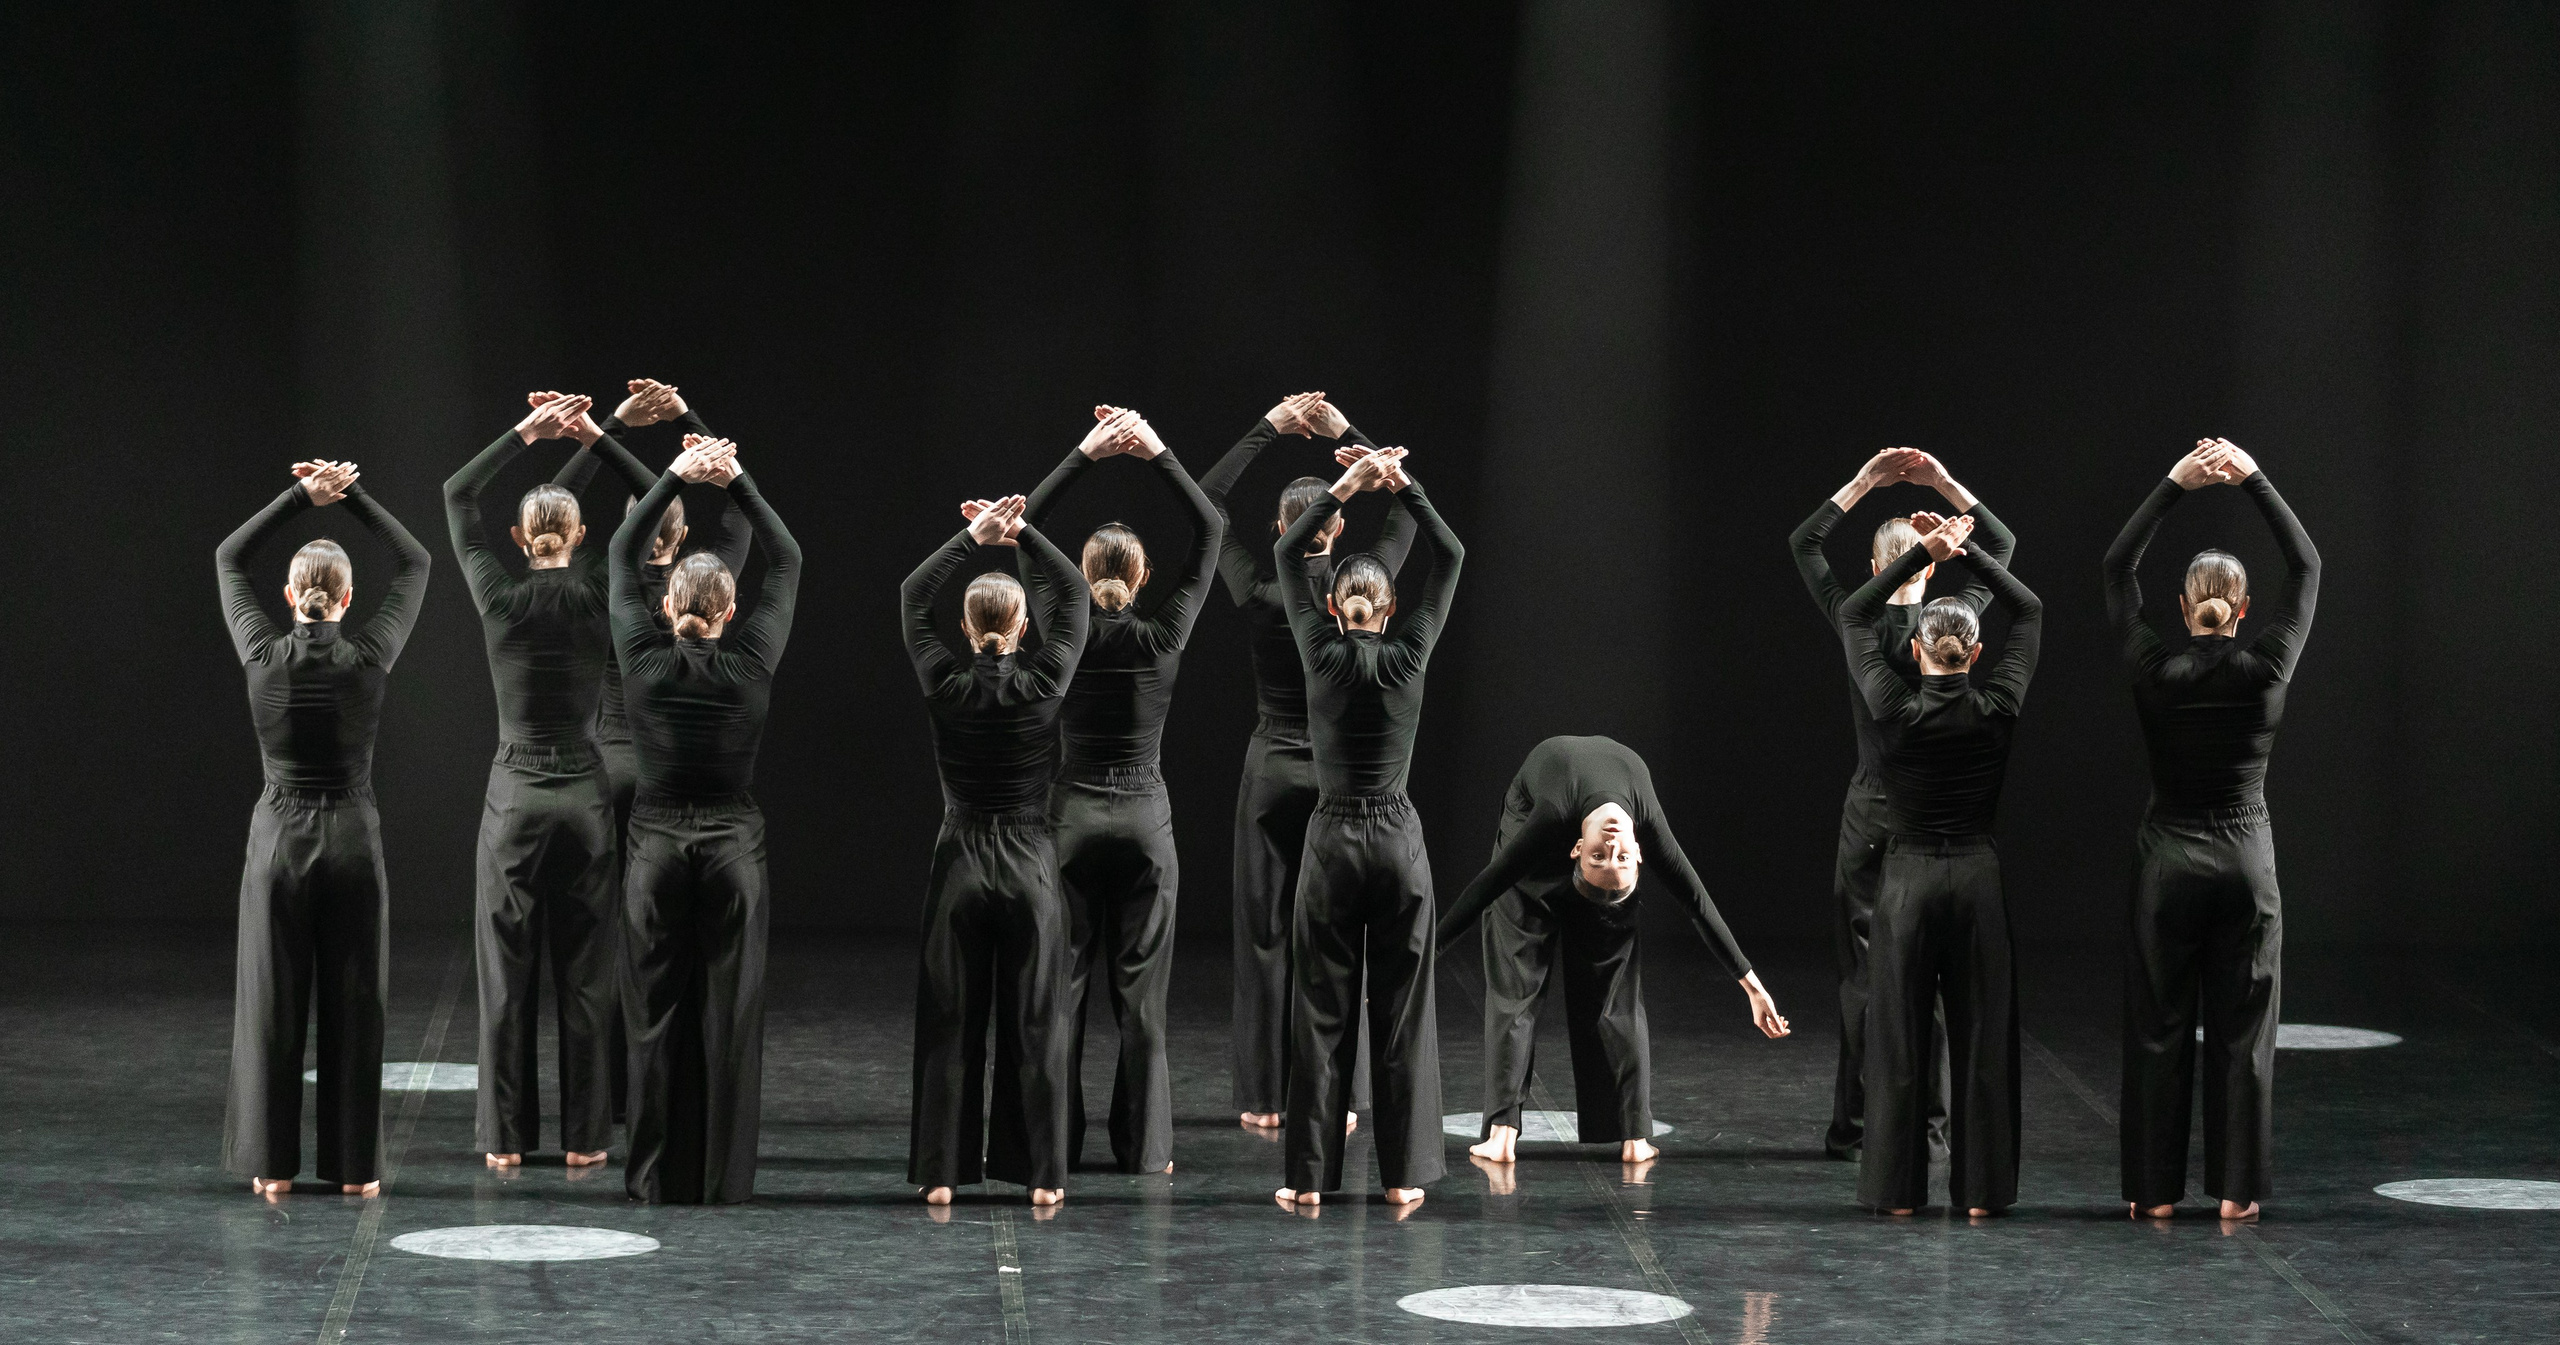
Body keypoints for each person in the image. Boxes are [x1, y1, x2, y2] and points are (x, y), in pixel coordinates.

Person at [899, 419, 1114, 1207]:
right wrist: (1022, 531)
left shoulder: (946, 685)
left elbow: (909, 596)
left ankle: (942, 1175)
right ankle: (1044, 1176)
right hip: (1029, 862)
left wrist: (972, 538)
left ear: (966, 628)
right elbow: (1076, 600)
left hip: (959, 860)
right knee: (1037, 1022)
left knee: (952, 1020)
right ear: (1022, 628)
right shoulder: (1046, 677)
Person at [2104, 438, 2318, 1224]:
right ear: (2243, 607)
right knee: (2244, 1029)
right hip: (2244, 856)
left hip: (2168, 858)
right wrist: (2256, 475)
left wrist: (2173, 485)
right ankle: (2236, 1190)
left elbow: (2115, 569)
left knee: (2156, 1025)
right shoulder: (2265, 671)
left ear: (2183, 602)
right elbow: (2309, 568)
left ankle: (2153, 1191)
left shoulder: (2154, 671)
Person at [444, 392, 658, 1171]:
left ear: (517, 537)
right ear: (582, 536)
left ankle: (505, 1140)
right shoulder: (605, 587)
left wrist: (524, 435)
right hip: (586, 796)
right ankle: (586, 1138)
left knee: (506, 974)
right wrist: (602, 434)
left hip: (514, 798)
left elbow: (455, 494)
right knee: (586, 973)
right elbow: (656, 496)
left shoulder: (498, 595)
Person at [1008, 405, 1222, 1174]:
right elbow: (1212, 532)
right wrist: (1159, 451)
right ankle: (1146, 1148)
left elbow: (1023, 520)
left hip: (1068, 818)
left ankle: (1054, 1142)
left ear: (1080, 574)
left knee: (1061, 993)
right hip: (1143, 818)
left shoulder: (1060, 630)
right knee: (1142, 1000)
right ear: (1142, 579)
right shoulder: (1163, 637)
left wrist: (1086, 453)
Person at [1790, 448, 2016, 1163]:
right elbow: (2004, 546)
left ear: (1876, 568)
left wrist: (1863, 481)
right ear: (1932, 566)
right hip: (1932, 823)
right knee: (1937, 975)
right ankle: (1932, 1128)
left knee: (1866, 977)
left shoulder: (1855, 621)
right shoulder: (1948, 627)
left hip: (1871, 813)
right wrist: (1946, 485)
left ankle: (1857, 1129)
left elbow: (1805, 542)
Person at [216, 456, 431, 1197]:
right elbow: (417, 560)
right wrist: (355, 496)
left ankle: (271, 1166)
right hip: (351, 839)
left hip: (277, 839)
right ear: (347, 597)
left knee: (273, 1000)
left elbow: (227, 556)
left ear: (290, 595)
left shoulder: (262, 653)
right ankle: (354, 1171)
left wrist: (299, 499)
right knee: (355, 1001)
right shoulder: (371, 655)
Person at [1198, 393, 1413, 1132]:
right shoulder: (1364, 588)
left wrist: (1266, 428)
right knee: (1333, 934)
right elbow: (1412, 510)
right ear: (1339, 523)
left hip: (1269, 769)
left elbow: (1204, 501)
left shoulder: (1264, 591)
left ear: (1281, 531)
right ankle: (1338, 1097)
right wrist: (1351, 438)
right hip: (1335, 777)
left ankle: (1262, 1096)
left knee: (1264, 931)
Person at [1436, 736, 1790, 1166]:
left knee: (1616, 991)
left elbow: (1695, 901)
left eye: (1617, 856)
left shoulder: (1639, 835)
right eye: (1605, 856)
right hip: (1526, 847)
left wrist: (1752, 987)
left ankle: (1633, 1133)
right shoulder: (1550, 819)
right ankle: (1502, 1132)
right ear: (1576, 850)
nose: (1613, 845)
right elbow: (1486, 886)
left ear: (1641, 855)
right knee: (1515, 988)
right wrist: (1422, 960)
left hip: (1587, 857)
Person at [608, 435, 802, 1204]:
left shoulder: (641, 656)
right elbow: (785, 558)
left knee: (652, 1014)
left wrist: (675, 478)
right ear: (728, 609)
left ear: (665, 605)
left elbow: (623, 551)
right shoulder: (752, 658)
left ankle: (653, 1176)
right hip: (731, 846)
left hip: (654, 844)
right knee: (731, 1012)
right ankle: (724, 1177)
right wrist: (737, 480)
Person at [1270, 443, 1462, 1209]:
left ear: (1331, 607)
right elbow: (1448, 554)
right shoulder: (1410, 652)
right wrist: (1402, 484)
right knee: (1402, 1010)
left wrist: (1345, 484)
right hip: (1397, 839)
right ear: (1386, 609)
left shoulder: (1318, 651)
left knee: (1322, 1008)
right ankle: (1403, 1178)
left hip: (1333, 840)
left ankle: (1310, 1181)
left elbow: (1289, 551)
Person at [1837, 511, 2042, 1217]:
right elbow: (2031, 607)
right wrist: (1971, 556)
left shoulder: (1892, 706)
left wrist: (1921, 554)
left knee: (1899, 1033)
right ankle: (1982, 1194)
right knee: (1982, 1031)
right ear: (1976, 651)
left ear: (1918, 652)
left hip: (1907, 880)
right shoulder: (1999, 705)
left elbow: (1853, 612)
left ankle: (1897, 1193)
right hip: (1978, 877)